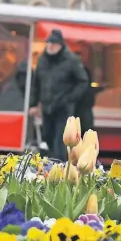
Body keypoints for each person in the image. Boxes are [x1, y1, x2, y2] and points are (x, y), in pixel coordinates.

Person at [29, 29, 88, 161]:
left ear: (60, 45)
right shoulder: (42, 60)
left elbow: (83, 82)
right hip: (47, 107)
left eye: (53, 44)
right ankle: (49, 168)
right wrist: (33, 104)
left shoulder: (71, 61)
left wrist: (70, 99)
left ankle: (59, 168)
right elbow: (36, 84)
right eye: (48, 43)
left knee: (61, 141)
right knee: (47, 138)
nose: (50, 46)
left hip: (64, 108)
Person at [73, 52, 102, 134]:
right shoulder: (70, 72)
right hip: (76, 108)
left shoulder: (86, 71)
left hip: (84, 107)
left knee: (85, 131)